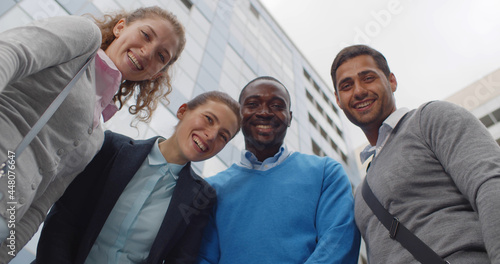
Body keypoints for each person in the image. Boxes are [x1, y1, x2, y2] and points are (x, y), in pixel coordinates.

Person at [0, 6, 186, 259]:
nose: (147, 52)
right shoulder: (85, 37)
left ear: (157, 74)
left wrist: (7, 252)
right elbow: (9, 54)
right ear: (120, 27)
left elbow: (41, 204)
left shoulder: (97, 134)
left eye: (161, 56)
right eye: (145, 35)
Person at [331, 44, 500, 263]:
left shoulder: (430, 118)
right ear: (338, 100)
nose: (359, 91)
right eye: (346, 85)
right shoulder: (361, 194)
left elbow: (490, 184)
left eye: (368, 78)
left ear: (392, 81)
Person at [34, 91, 241, 264]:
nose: (212, 135)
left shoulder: (202, 197)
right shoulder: (112, 148)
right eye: (208, 119)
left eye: (223, 136)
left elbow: (180, 260)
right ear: (183, 111)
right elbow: (64, 219)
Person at [197, 76, 360, 264]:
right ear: (239, 115)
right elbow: (203, 258)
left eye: (276, 106)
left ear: (289, 117)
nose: (265, 112)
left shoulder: (326, 173)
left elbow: (339, 242)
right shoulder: (211, 189)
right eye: (253, 104)